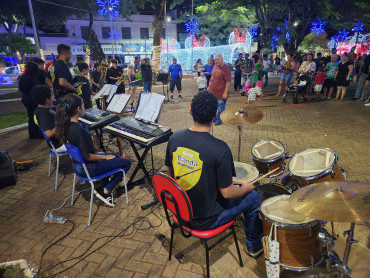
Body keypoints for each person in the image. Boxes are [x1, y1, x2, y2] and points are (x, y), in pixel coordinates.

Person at [165, 91, 263, 258]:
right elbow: (227, 193)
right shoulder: (220, 149)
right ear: (216, 114)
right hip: (205, 220)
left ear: (190, 111)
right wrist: (246, 188)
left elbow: (170, 172)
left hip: (180, 210)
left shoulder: (175, 137)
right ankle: (254, 246)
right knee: (253, 197)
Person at [55, 93, 131, 206]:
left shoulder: (65, 126)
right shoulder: (78, 130)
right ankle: (106, 191)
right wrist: (104, 156)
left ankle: (102, 184)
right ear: (78, 109)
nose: (84, 108)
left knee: (114, 156)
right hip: (89, 168)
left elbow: (84, 152)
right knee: (126, 163)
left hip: (78, 166)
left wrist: (101, 154)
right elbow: (88, 156)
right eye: (83, 106)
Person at [32, 85, 66, 152]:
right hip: (59, 145)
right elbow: (49, 134)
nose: (53, 97)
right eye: (51, 95)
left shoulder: (38, 110)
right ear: (47, 100)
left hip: (55, 143)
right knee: (83, 138)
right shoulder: (44, 114)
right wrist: (63, 122)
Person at [19, 62, 42, 139]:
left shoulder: (23, 78)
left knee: (31, 117)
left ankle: (32, 134)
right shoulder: (34, 78)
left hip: (25, 99)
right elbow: (37, 89)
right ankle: (39, 134)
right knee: (37, 117)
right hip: (33, 99)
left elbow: (20, 89)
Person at [208, 54, 231, 126]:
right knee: (214, 106)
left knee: (220, 106)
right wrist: (209, 86)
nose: (216, 61)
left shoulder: (226, 68)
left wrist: (225, 92)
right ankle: (215, 117)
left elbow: (228, 81)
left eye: (218, 59)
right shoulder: (215, 66)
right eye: (215, 60)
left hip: (221, 92)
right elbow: (212, 76)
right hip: (212, 92)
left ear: (222, 59)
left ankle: (219, 119)